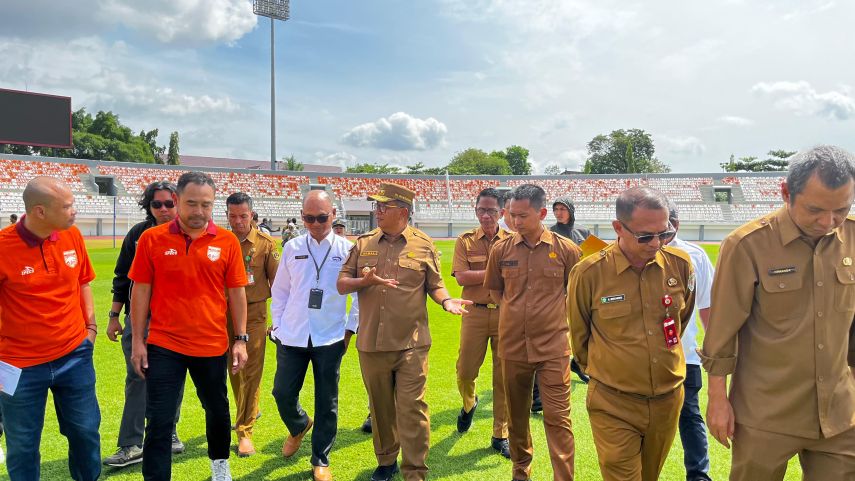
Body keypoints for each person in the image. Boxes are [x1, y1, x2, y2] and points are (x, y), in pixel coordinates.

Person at [700, 145, 855, 480]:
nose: (829, 222)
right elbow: (722, 332)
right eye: (815, 209)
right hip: (764, 416)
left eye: (841, 209)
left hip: (839, 417)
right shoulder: (747, 245)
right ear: (786, 192)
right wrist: (717, 400)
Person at [337, 182, 471, 481]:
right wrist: (365, 282)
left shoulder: (423, 244)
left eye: (383, 206)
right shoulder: (363, 243)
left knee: (412, 408)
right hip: (372, 342)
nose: (378, 211)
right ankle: (386, 461)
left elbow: (435, 284)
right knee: (381, 409)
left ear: (403, 212)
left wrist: (447, 300)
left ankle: (415, 470)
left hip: (411, 344)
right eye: (377, 206)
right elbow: (342, 284)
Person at [568, 186, 696, 481]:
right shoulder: (589, 272)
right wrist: (610, 369)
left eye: (665, 234)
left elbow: (680, 321)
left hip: (667, 398)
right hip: (614, 402)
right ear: (618, 228)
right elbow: (579, 335)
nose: (656, 243)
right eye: (645, 236)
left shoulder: (680, 265)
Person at [129, 171, 249, 481]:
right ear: (178, 201)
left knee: (218, 410)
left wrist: (240, 339)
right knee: (159, 419)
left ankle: (220, 470)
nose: (198, 211)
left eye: (206, 205)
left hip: (210, 344)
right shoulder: (151, 239)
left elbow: (237, 292)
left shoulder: (227, 242)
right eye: (192, 203)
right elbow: (140, 290)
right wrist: (139, 342)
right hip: (164, 343)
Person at [0, 176, 100, 481]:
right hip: (19, 365)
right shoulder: (3, 247)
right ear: (40, 211)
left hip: (74, 355)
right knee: (23, 445)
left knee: (84, 432)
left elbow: (83, 281)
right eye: (67, 206)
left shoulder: (71, 237)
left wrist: (91, 328)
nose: (74, 211)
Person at [484, 183, 582, 481]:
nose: (515, 221)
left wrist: (548, 317)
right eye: (512, 215)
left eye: (522, 216)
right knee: (517, 417)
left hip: (553, 348)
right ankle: (520, 472)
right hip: (512, 347)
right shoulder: (501, 249)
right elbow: (494, 290)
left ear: (541, 213)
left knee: (558, 418)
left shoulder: (567, 250)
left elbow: (578, 294)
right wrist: (515, 314)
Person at [270, 190, 357, 481]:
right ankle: (298, 425)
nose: (316, 224)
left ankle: (320, 458)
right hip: (292, 335)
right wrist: (278, 326)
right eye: (309, 218)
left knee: (327, 400)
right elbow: (280, 291)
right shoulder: (292, 246)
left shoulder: (347, 249)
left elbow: (358, 296)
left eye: (321, 217)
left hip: (330, 336)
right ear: (302, 216)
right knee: (282, 392)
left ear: (333, 214)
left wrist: (349, 330)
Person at [104, 181, 186, 467]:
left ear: (178, 203)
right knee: (137, 378)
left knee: (172, 380)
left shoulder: (189, 234)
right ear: (148, 207)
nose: (163, 209)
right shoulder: (138, 234)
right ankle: (131, 444)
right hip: (140, 319)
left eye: (169, 203)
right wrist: (114, 317)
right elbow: (122, 277)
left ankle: (170, 431)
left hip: (177, 320)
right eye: (157, 204)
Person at [452, 187, 512, 458]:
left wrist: (481, 273)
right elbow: (462, 278)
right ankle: (469, 403)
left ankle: (501, 433)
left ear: (501, 212)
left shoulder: (513, 239)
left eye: (491, 210)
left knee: (504, 377)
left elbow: (519, 277)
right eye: (481, 210)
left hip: (505, 314)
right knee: (465, 371)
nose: (485, 216)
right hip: (474, 313)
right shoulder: (465, 241)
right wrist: (497, 271)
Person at [225, 192, 279, 457]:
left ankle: (245, 431)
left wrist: (277, 320)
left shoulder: (266, 244)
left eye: (243, 216)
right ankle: (245, 412)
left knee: (251, 370)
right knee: (233, 370)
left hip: (254, 312)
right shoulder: (219, 242)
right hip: (221, 313)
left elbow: (278, 285)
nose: (238, 221)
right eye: (233, 216)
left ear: (252, 215)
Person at [665, 201, 715, 481]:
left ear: (676, 223)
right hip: (640, 358)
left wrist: (714, 347)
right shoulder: (630, 254)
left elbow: (707, 307)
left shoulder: (694, 256)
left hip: (685, 356)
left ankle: (698, 476)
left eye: (667, 222)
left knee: (690, 416)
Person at [549, 198, 591, 385]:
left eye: (562, 209)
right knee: (560, 329)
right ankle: (557, 366)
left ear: (571, 210)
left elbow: (593, 257)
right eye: (556, 209)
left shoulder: (583, 231)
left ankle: (576, 362)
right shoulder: (549, 233)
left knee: (583, 326)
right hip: (558, 287)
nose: (559, 212)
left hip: (582, 285)